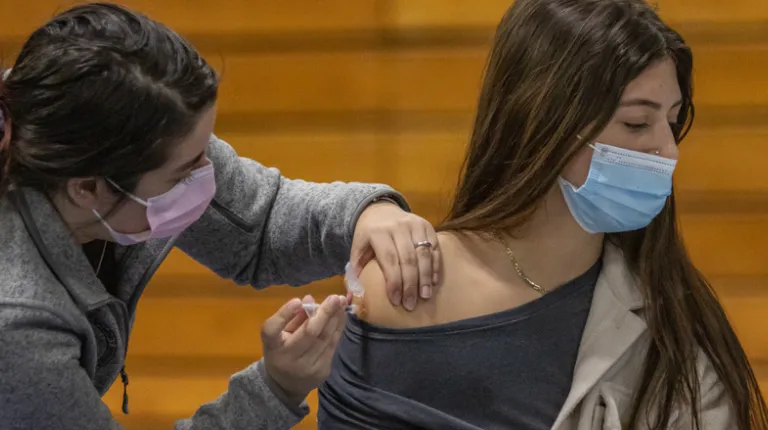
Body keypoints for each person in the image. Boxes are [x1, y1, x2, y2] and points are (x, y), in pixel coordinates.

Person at [318, 0, 768, 429]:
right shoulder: (405, 284)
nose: (666, 151)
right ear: (544, 118)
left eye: (672, 123)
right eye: (636, 123)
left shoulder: (675, 325)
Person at [0, 3, 443, 430]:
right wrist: (274, 389)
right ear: (88, 188)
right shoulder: (17, 324)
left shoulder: (62, 124)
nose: (207, 179)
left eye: (205, 151)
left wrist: (365, 216)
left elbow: (259, 224)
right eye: (185, 169)